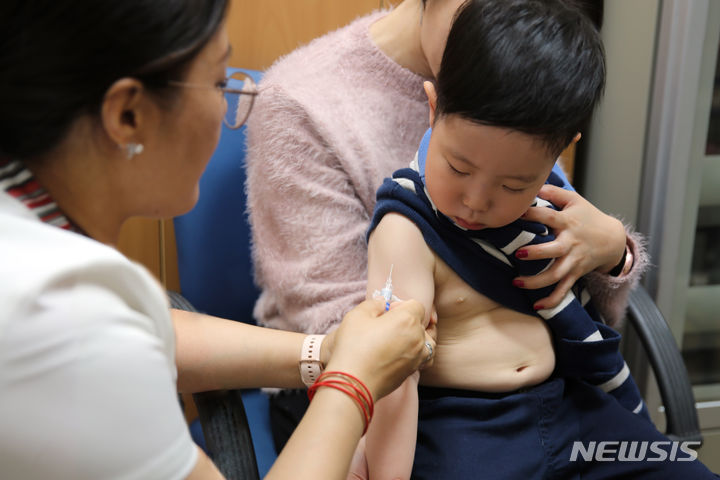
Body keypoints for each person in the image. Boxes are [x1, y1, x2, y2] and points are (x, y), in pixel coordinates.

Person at [0, 1, 436, 479]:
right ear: (127, 115)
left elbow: (152, 328)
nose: (230, 104)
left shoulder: (30, 225)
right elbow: (101, 335)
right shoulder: (61, 321)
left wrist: (327, 352)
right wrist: (353, 381)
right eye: (217, 83)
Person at [245, 0, 649, 451]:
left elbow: (580, 305)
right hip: (367, 388)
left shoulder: (523, 81)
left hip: (531, 391)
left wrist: (613, 254)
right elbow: (351, 334)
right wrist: (530, 348)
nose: (515, 35)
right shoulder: (301, 101)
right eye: (457, 168)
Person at [358, 1, 718, 478]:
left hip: (571, 409)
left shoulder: (553, 202)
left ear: (562, 148)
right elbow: (394, 374)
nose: (476, 200)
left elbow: (590, 304)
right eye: (458, 167)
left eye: (513, 185)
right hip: (463, 427)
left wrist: (613, 251)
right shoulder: (407, 227)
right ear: (431, 109)